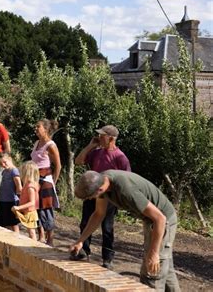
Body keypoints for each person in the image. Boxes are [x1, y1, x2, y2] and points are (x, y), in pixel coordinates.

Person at [70, 170, 180, 291]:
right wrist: (81, 240)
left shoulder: (125, 189)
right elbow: (98, 214)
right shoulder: (102, 182)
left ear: (99, 190)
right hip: (151, 219)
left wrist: (154, 253)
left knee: (152, 273)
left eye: (91, 197)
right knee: (166, 268)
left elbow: (160, 218)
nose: (91, 199)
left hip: (162, 220)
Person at [74, 125, 131, 269]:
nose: (99, 137)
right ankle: (83, 251)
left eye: (102, 135)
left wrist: (119, 198)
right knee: (86, 222)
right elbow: (78, 161)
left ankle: (108, 258)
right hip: (92, 193)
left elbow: (127, 178)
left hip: (109, 196)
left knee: (107, 227)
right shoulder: (96, 152)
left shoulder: (120, 157)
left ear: (111, 138)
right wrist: (89, 146)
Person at [31, 119, 61, 246]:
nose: (36, 129)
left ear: (46, 129)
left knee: (46, 209)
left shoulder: (51, 145)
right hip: (34, 178)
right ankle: (41, 235)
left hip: (45, 180)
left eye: (38, 127)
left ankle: (50, 239)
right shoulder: (37, 143)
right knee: (36, 208)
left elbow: (58, 165)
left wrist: (53, 180)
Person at [11, 161, 40, 241]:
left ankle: (34, 247)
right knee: (30, 232)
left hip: (30, 213)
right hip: (26, 211)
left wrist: (19, 207)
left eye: (22, 171)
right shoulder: (27, 184)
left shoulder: (30, 187)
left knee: (31, 232)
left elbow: (32, 202)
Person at [0, 152, 22, 232]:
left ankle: (17, 238)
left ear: (10, 159)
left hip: (11, 201)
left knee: (13, 222)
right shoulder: (4, 171)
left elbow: (19, 186)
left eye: (5, 162)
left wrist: (19, 200)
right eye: (1, 163)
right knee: (4, 222)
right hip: (3, 200)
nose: (3, 164)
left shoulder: (14, 171)